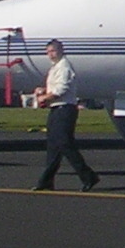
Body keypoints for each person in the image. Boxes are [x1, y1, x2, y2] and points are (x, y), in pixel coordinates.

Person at [32, 39, 100, 192]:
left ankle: (88, 176)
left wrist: (45, 97)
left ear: (61, 50)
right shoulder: (55, 68)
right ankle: (46, 181)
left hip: (65, 109)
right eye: (48, 52)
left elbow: (61, 89)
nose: (50, 54)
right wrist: (43, 90)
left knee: (64, 143)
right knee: (53, 146)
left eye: (53, 51)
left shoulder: (64, 67)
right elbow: (56, 87)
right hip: (56, 109)